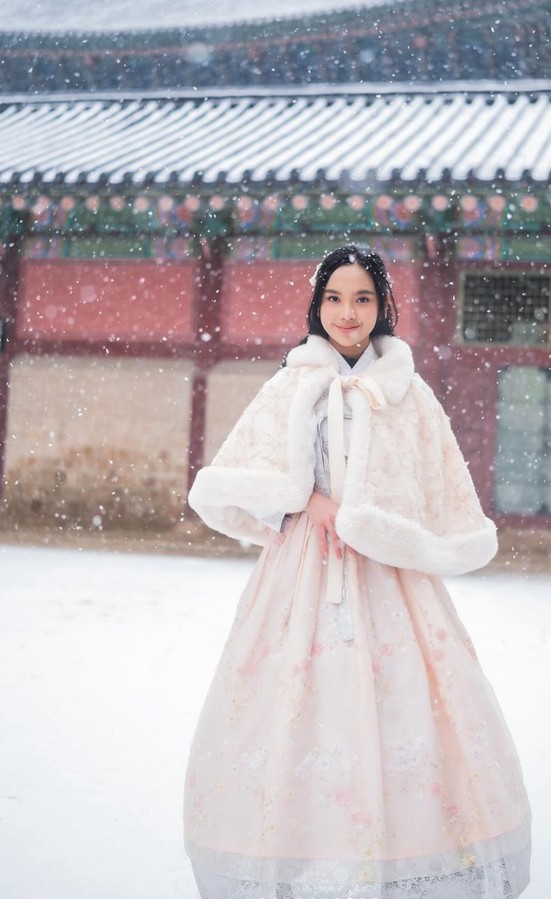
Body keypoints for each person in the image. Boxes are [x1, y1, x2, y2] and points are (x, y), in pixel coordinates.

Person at [185, 244, 531, 899]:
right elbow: (244, 476)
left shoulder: (404, 390)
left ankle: (408, 856)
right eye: (336, 298)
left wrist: (378, 522)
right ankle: (301, 853)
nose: (349, 312)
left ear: (383, 307)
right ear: (317, 306)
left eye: (363, 298)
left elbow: (433, 481)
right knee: (294, 705)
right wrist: (310, 501)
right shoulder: (293, 385)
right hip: (302, 577)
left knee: (408, 705)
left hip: (388, 581)